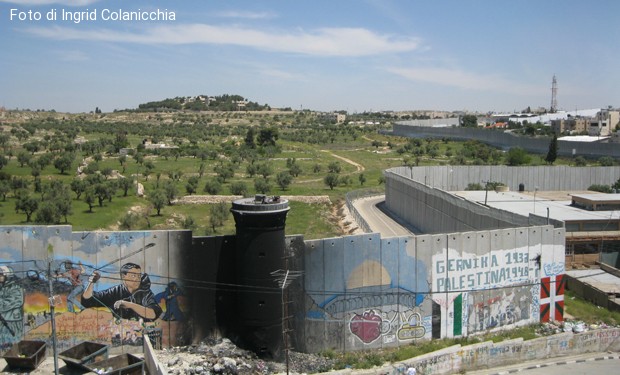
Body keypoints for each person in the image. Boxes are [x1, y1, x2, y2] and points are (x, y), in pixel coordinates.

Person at [81, 262, 162, 322]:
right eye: (133, 275)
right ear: (123, 277)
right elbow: (88, 301)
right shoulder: (115, 292)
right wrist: (91, 283)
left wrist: (129, 305)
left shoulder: (145, 293)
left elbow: (153, 313)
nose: (137, 279)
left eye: (139, 275)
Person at [0, 265, 24, 350]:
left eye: (1, 275)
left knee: (12, 343)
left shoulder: (15, 288)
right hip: (3, 320)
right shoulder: (1, 288)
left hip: (12, 321)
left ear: (7, 275)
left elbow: (14, 301)